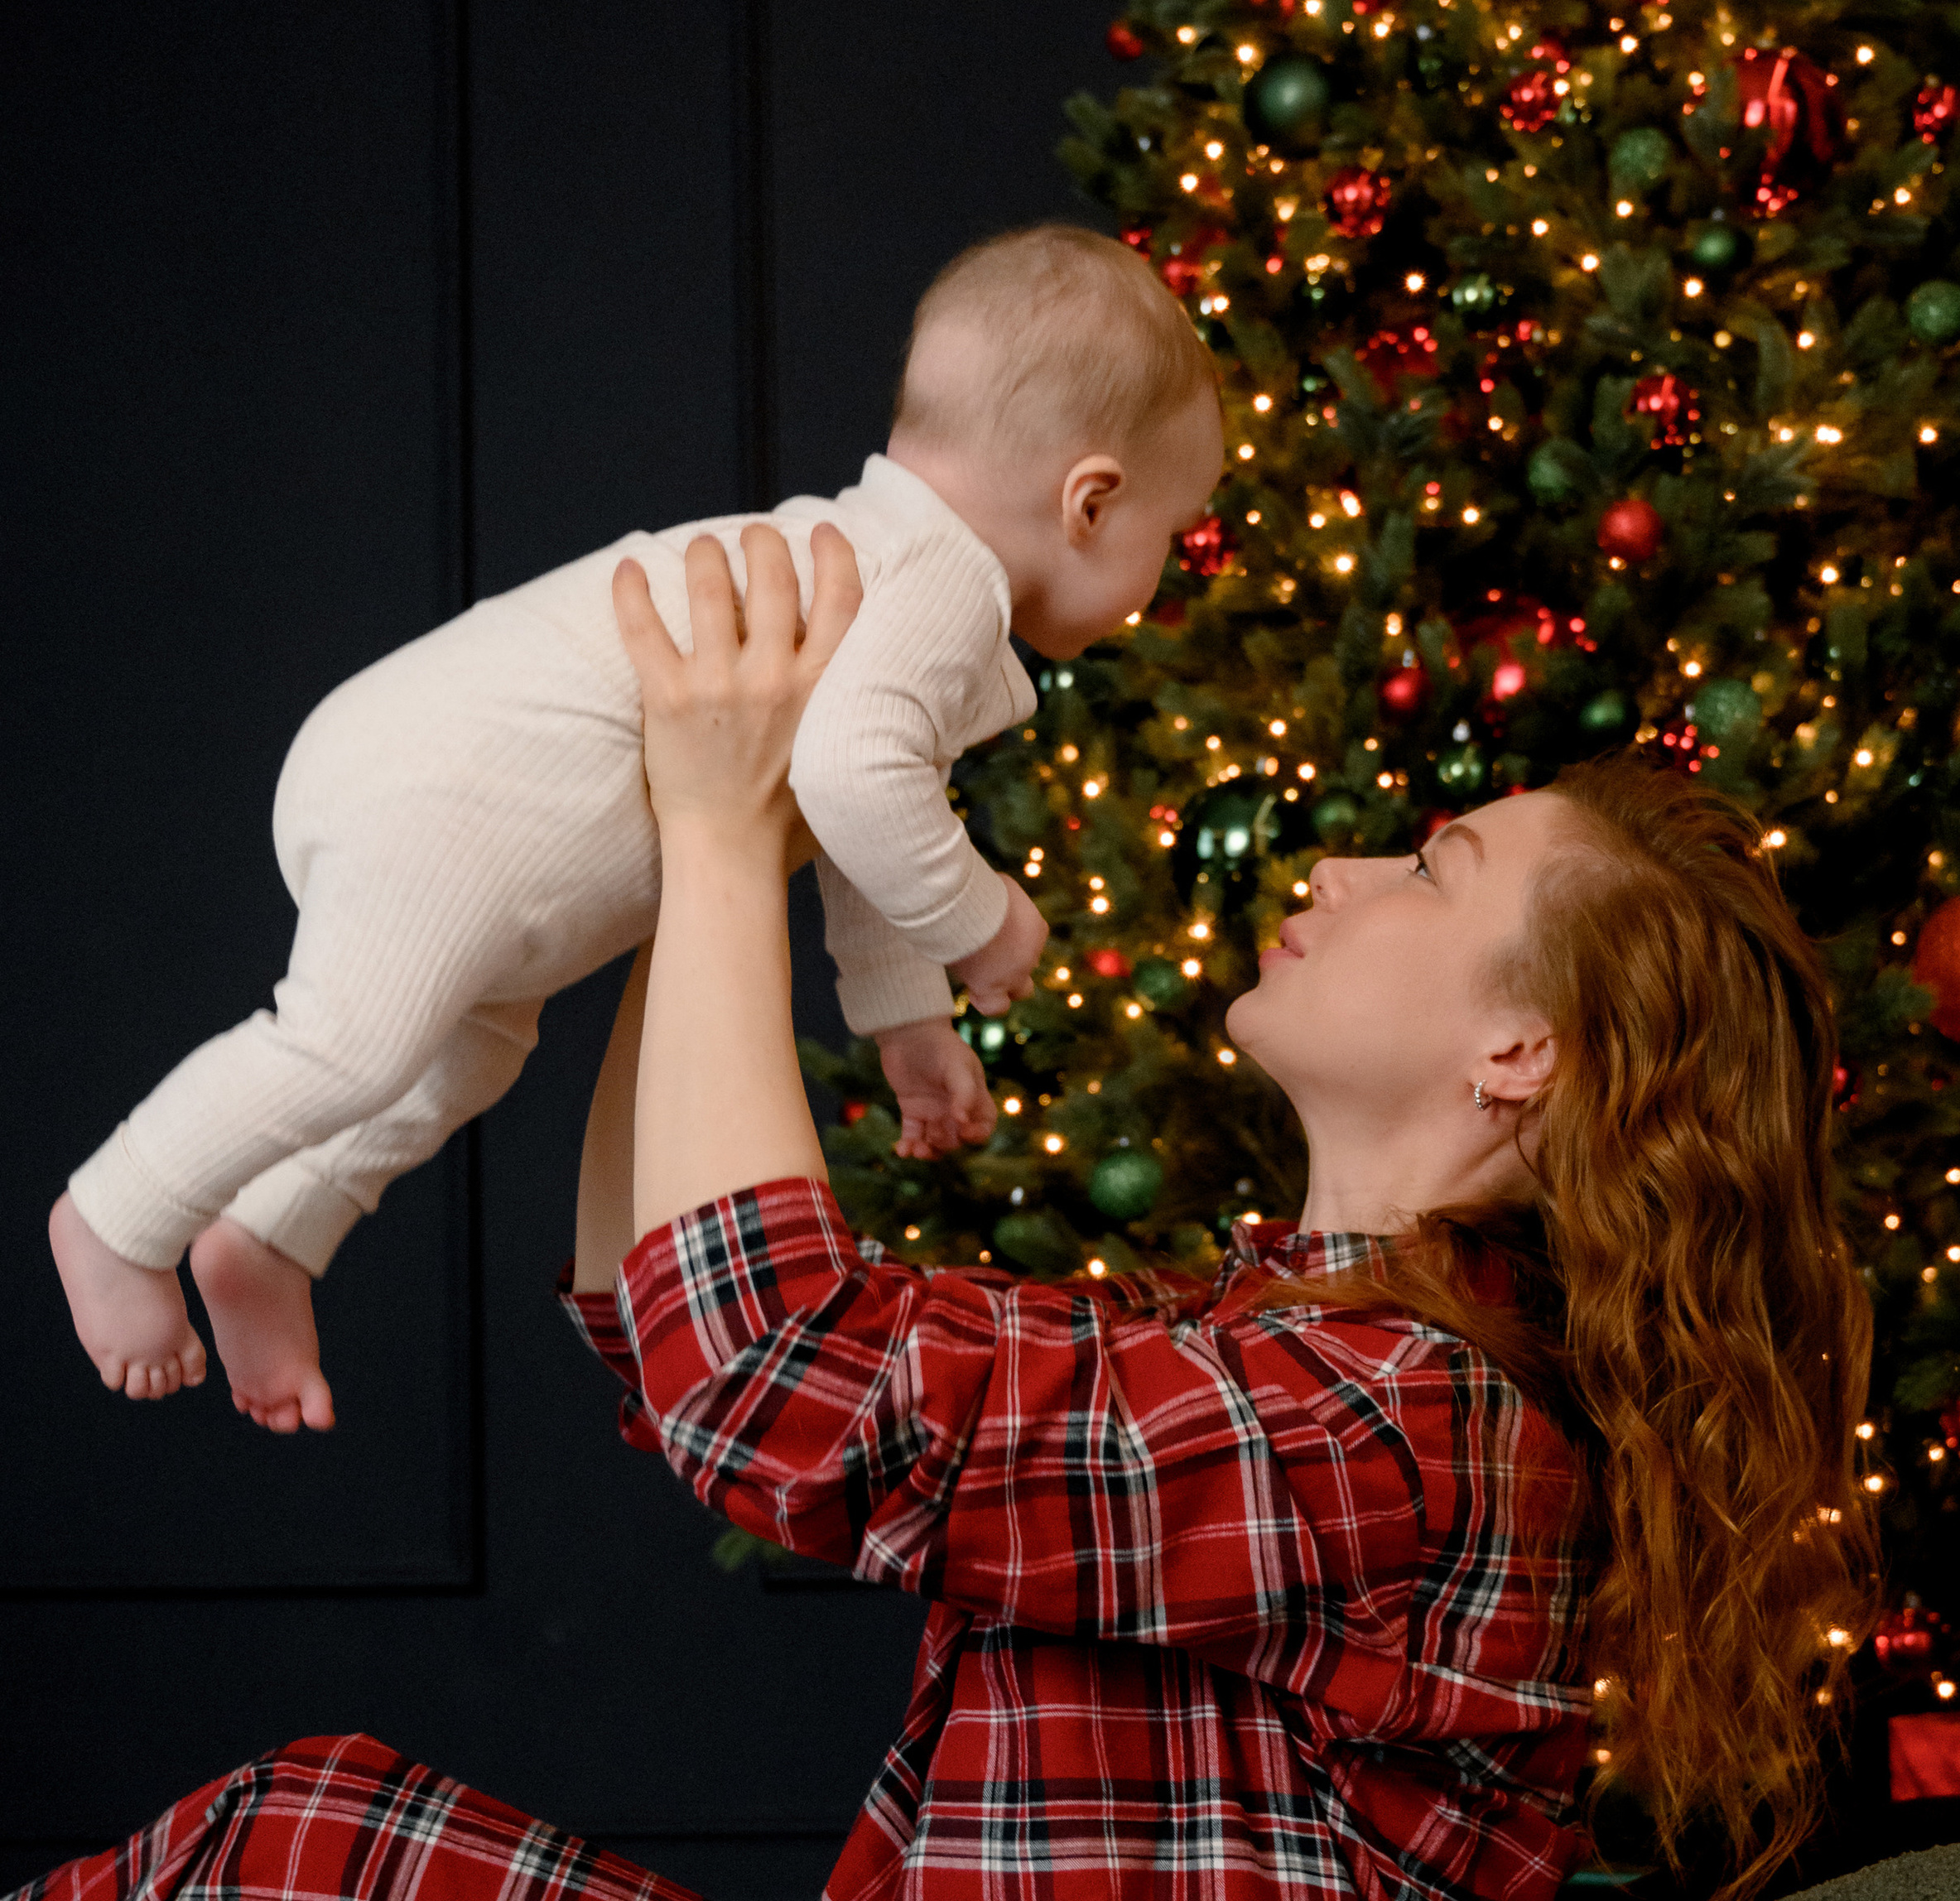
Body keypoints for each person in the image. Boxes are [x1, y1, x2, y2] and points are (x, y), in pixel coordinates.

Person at [0, 525, 1872, 1901]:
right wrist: (692, 852)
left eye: (1427, 872)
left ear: (1519, 1056)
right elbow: (680, 1329)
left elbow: (775, 1368)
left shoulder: (1413, 1422)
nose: (1333, 873)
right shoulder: (1248, 1334)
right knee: (287, 1849)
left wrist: (729, 839)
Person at [49, 223, 1222, 1432]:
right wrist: (983, 918)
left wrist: (907, 1018)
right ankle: (116, 1214)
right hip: (444, 779)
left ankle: (272, 1232)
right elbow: (859, 773)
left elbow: (853, 810)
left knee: (470, 1045)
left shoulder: (886, 562)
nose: (1168, 571)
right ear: (1091, 500)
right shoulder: (944, 582)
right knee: (351, 1040)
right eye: (1175, 536)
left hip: (455, 798)